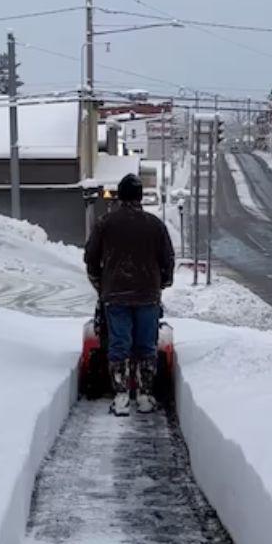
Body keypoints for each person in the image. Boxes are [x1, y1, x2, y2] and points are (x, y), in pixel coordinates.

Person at [84, 173, 175, 416]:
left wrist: (101, 285)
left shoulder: (105, 224)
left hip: (115, 295)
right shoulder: (155, 225)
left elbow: (91, 258)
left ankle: (121, 396)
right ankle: (145, 396)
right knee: (146, 345)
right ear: (140, 197)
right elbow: (167, 260)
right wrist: (161, 283)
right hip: (148, 295)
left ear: (119, 196)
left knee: (119, 344)